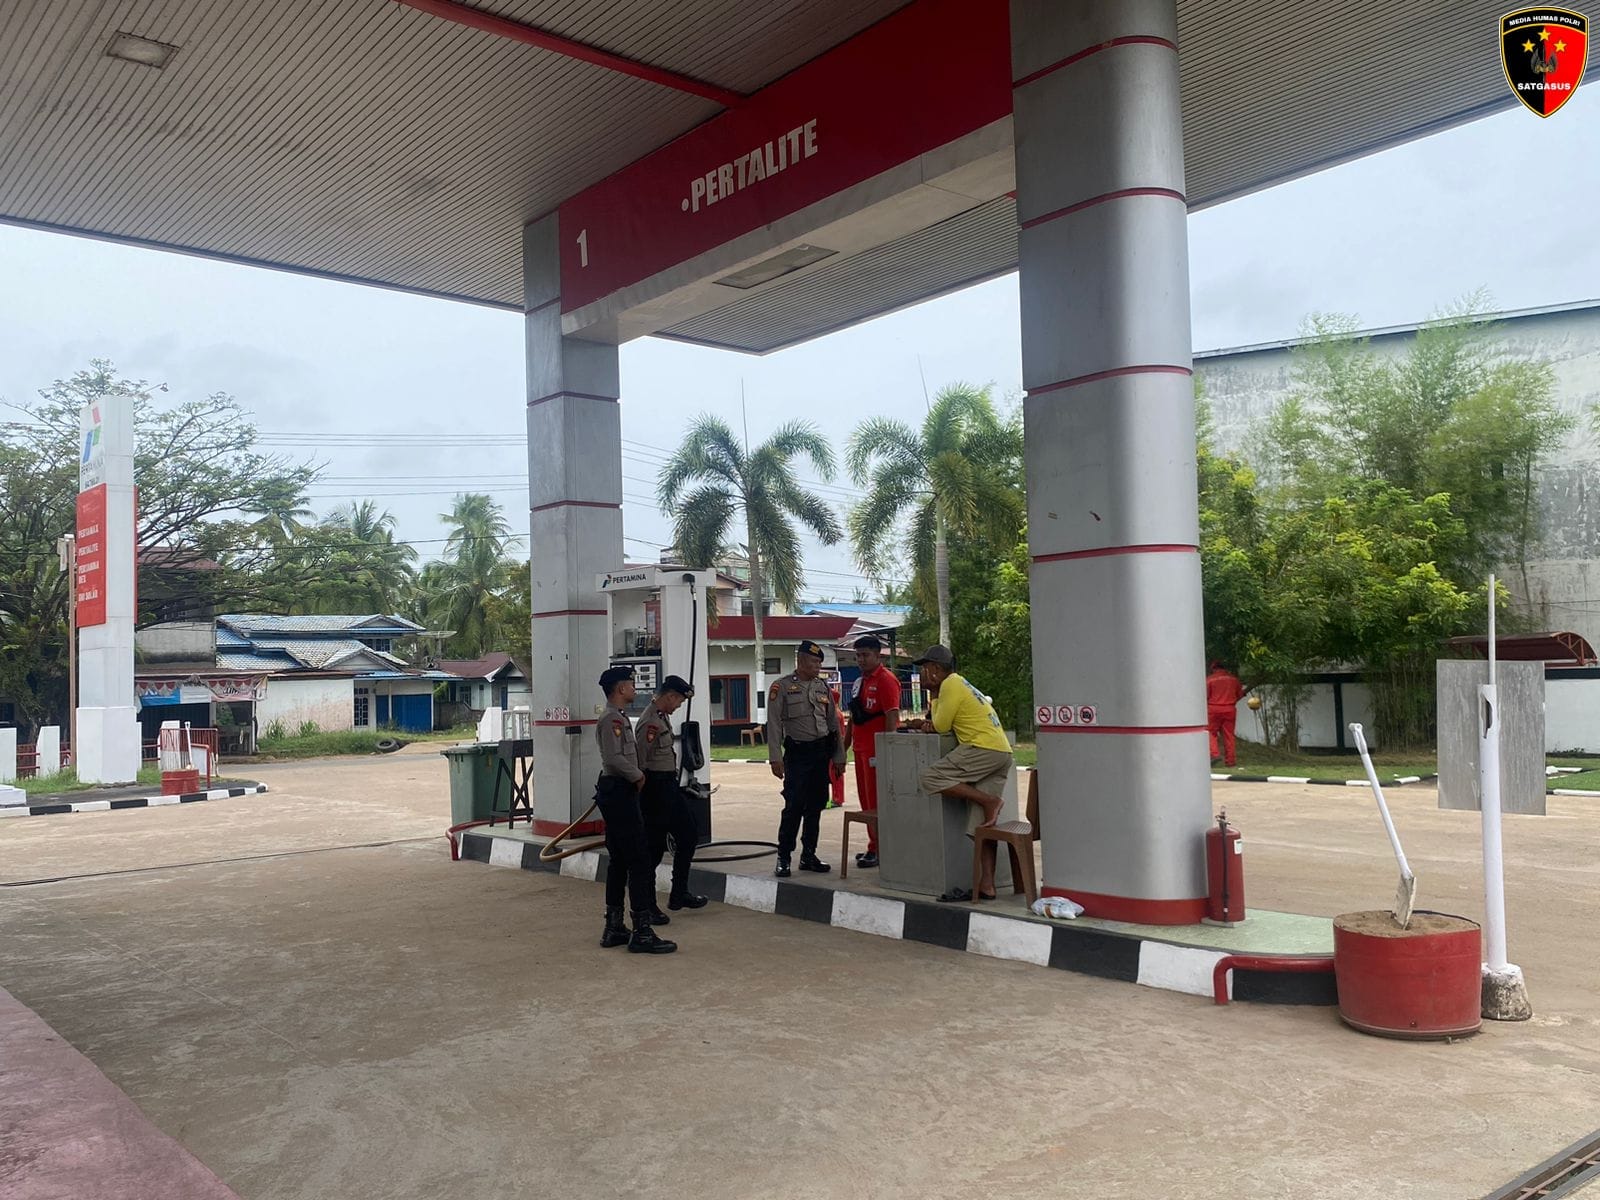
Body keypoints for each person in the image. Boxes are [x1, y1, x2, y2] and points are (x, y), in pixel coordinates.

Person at [906, 645, 1014, 900]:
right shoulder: (961, 683)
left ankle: (989, 800)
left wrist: (933, 695)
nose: (922, 673)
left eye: (924, 668)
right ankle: (987, 885)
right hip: (1001, 753)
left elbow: (941, 724)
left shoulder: (950, 684)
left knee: (930, 777)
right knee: (981, 826)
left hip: (982, 748)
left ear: (935, 669)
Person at [594, 665, 676, 954]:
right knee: (639, 860)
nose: (634, 688)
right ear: (620, 688)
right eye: (630, 684)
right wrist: (638, 775)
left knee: (619, 861)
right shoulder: (612, 720)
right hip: (620, 792)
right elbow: (614, 758)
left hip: (618, 791)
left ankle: (614, 926)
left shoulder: (617, 717)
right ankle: (642, 931)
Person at [767, 639, 846, 878]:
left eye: (819, 663)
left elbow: (833, 724)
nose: (817, 667)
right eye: (813, 662)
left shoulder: (822, 687)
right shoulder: (782, 687)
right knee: (793, 806)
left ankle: (809, 855)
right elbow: (774, 724)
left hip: (820, 754)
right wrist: (775, 758)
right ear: (800, 661)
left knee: (816, 805)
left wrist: (839, 755)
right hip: (797, 754)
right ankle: (784, 857)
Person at [635, 674, 709, 913]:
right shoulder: (650, 721)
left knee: (688, 835)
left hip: (668, 787)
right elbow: (640, 761)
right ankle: (647, 905)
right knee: (654, 848)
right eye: (679, 701)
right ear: (670, 696)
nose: (678, 706)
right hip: (655, 789)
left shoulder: (661, 716)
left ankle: (679, 894)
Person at [846, 634, 901, 868]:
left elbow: (892, 716)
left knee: (877, 802)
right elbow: (854, 717)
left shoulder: (886, 680)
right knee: (866, 801)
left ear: (878, 655)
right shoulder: (861, 681)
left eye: (865, 655)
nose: (861, 660)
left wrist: (887, 750)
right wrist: (843, 747)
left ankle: (881, 849)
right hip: (860, 749)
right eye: (858, 656)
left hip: (876, 752)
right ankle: (873, 845)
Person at [1206, 661, 1247, 767]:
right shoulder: (1234, 679)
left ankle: (1214, 754)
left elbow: (1205, 696)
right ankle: (1230, 761)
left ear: (1213, 669)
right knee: (1229, 735)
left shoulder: (1209, 680)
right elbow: (1239, 695)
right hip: (1230, 709)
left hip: (1213, 709)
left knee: (1210, 732)